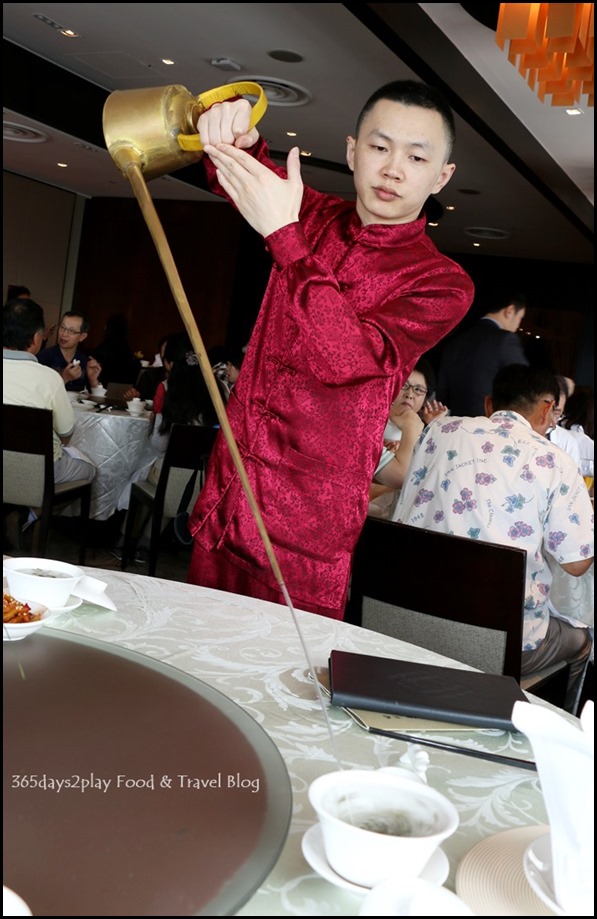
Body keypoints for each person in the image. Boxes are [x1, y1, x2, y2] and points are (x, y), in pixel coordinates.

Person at [187, 80, 474, 618]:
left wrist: (284, 238)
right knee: (191, 670)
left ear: (441, 175)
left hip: (305, 533)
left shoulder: (442, 282)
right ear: (351, 150)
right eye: (379, 146)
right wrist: (235, 136)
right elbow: (239, 174)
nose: (393, 169)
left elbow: (351, 360)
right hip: (229, 498)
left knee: (282, 692)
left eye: (416, 156)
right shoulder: (310, 215)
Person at [393, 364, 593, 712]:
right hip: (494, 642)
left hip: (401, 616)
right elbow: (576, 563)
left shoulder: (440, 429)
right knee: (583, 641)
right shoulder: (556, 462)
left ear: (490, 404)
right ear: (547, 408)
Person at [3, 298, 96, 488]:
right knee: (91, 471)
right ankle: (30, 515)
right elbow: (66, 435)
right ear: (37, 337)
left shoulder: (80, 361)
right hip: (35, 468)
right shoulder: (49, 377)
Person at [369, 358, 448, 519]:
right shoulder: (370, 427)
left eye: (418, 390)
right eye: (404, 385)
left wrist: (435, 427)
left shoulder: (425, 432)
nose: (410, 395)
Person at [436, 287, 529, 416]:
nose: (518, 325)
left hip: (454, 423)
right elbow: (526, 385)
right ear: (510, 311)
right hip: (489, 424)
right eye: (520, 318)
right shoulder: (505, 340)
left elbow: (441, 390)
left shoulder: (455, 341)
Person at [37, 310, 102, 392]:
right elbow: (37, 392)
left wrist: (93, 381)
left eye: (71, 331)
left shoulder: (86, 362)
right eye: (62, 328)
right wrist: (64, 378)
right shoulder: (44, 356)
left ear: (82, 336)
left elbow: (98, 402)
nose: (64, 334)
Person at [91, 314, 141, 389]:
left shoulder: (102, 350)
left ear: (108, 328)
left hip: (100, 392)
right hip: (123, 395)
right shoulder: (128, 352)